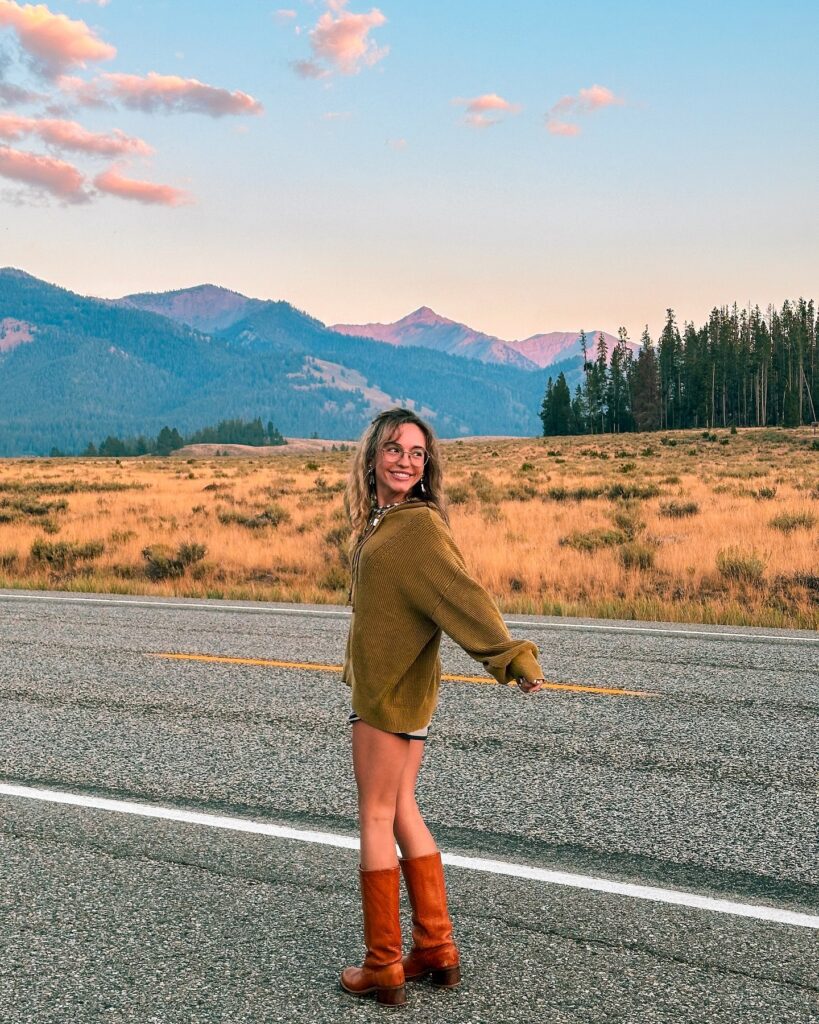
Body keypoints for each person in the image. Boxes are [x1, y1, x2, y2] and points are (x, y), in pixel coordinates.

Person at [339, 407, 547, 1007]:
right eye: (396, 449)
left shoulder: (418, 529)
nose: (406, 460)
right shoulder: (390, 521)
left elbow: (465, 597)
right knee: (402, 808)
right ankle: (436, 947)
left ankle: (383, 965)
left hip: (389, 693)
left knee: (376, 817)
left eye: (417, 452)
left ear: (427, 464)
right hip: (405, 686)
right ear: (373, 455)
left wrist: (510, 656)